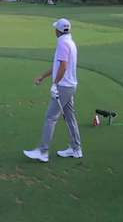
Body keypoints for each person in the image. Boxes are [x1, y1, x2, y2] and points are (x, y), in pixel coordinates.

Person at [23, 18, 83, 163]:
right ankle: (76, 149)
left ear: (58, 30)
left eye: (55, 28)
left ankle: (43, 151)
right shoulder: (70, 42)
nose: (54, 30)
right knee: (69, 117)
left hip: (63, 87)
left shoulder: (62, 43)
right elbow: (58, 66)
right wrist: (43, 76)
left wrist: (55, 84)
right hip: (70, 86)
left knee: (51, 118)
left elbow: (63, 66)